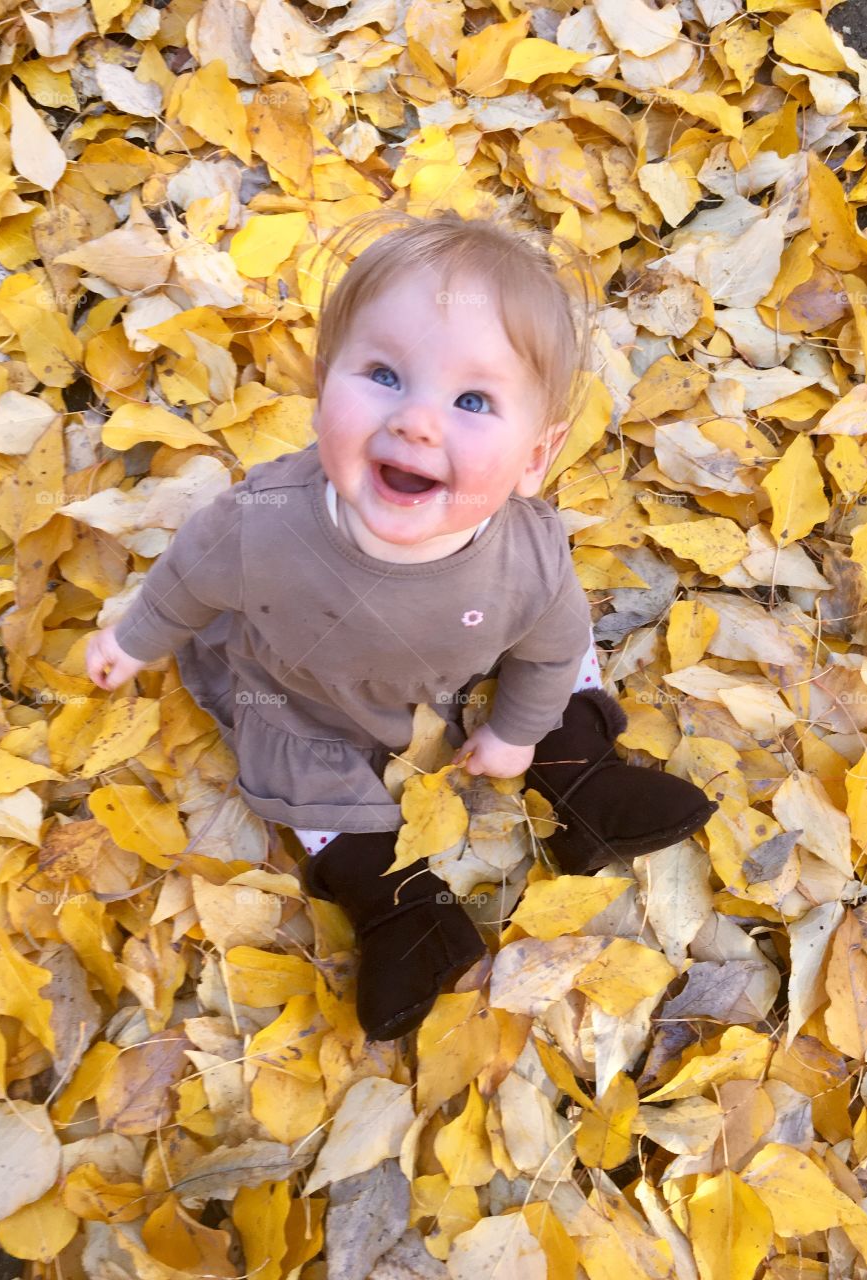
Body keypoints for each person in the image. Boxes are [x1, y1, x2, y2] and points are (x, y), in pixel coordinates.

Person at [86, 208, 717, 1041]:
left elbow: (552, 645)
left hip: (461, 664)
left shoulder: (523, 558)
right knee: (305, 777)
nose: (417, 420)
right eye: (383, 375)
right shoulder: (262, 524)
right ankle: (402, 912)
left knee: (560, 675)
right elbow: (188, 583)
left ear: (536, 455)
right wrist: (131, 642)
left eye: (472, 399)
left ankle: (581, 779)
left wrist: (519, 734)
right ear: (323, 384)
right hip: (304, 691)